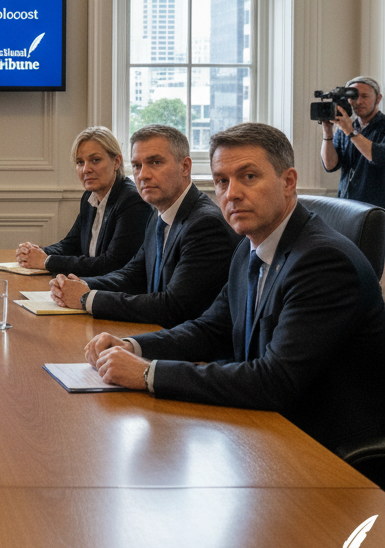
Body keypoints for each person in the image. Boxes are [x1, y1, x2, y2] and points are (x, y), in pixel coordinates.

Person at [85, 122, 385, 455]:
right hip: (264, 427)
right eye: (221, 181)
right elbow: (211, 329)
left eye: (249, 177)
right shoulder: (249, 247)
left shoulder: (323, 261)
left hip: (321, 446)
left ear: (289, 182)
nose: (232, 194)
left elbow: (274, 381)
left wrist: (147, 374)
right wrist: (133, 347)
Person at [50, 124, 239, 327]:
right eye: (137, 165)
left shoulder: (205, 225)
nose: (143, 175)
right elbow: (134, 275)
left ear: (185, 167)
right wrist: (80, 285)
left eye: (155, 162)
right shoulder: (158, 213)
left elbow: (173, 307)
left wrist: (88, 298)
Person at [15, 126, 153, 276]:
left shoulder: (132, 201)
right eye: (80, 162)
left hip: (112, 293)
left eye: (95, 160)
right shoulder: (89, 196)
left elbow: (111, 264)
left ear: (116, 162)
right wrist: (35, 252)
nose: (86, 169)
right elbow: (71, 244)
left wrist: (47, 261)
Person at [319, 75, 385, 206]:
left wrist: (350, 132)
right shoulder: (347, 127)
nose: (358, 102)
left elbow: (379, 157)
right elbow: (330, 165)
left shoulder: (351, 129)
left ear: (378, 99)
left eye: (365, 96)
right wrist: (327, 133)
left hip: (377, 208)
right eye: (354, 97)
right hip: (346, 205)